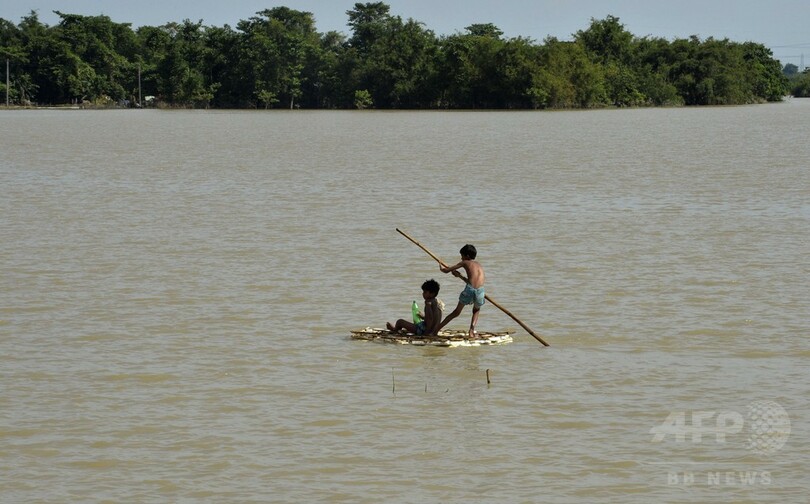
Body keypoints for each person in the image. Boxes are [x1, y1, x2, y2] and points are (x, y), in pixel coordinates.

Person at [436, 244, 485, 337]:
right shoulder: (479, 265)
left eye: (462, 255)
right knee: (476, 310)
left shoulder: (464, 263)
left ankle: (437, 328)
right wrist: (459, 275)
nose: (461, 258)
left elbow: (447, 270)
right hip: (481, 291)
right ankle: (471, 330)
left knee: (456, 312)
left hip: (470, 289)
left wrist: (441, 267)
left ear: (466, 256)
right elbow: (472, 280)